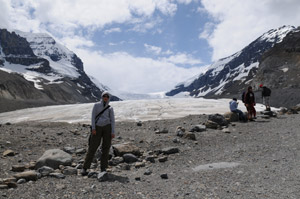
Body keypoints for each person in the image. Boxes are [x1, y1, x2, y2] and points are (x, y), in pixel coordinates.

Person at [81, 91, 115, 175]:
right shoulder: (96, 105)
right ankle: (85, 167)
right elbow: (93, 117)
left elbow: (112, 120)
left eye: (107, 96)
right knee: (92, 147)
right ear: (102, 96)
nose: (105, 97)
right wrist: (93, 128)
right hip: (97, 127)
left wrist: (113, 132)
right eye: (104, 96)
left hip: (107, 127)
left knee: (106, 148)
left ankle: (103, 167)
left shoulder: (110, 108)